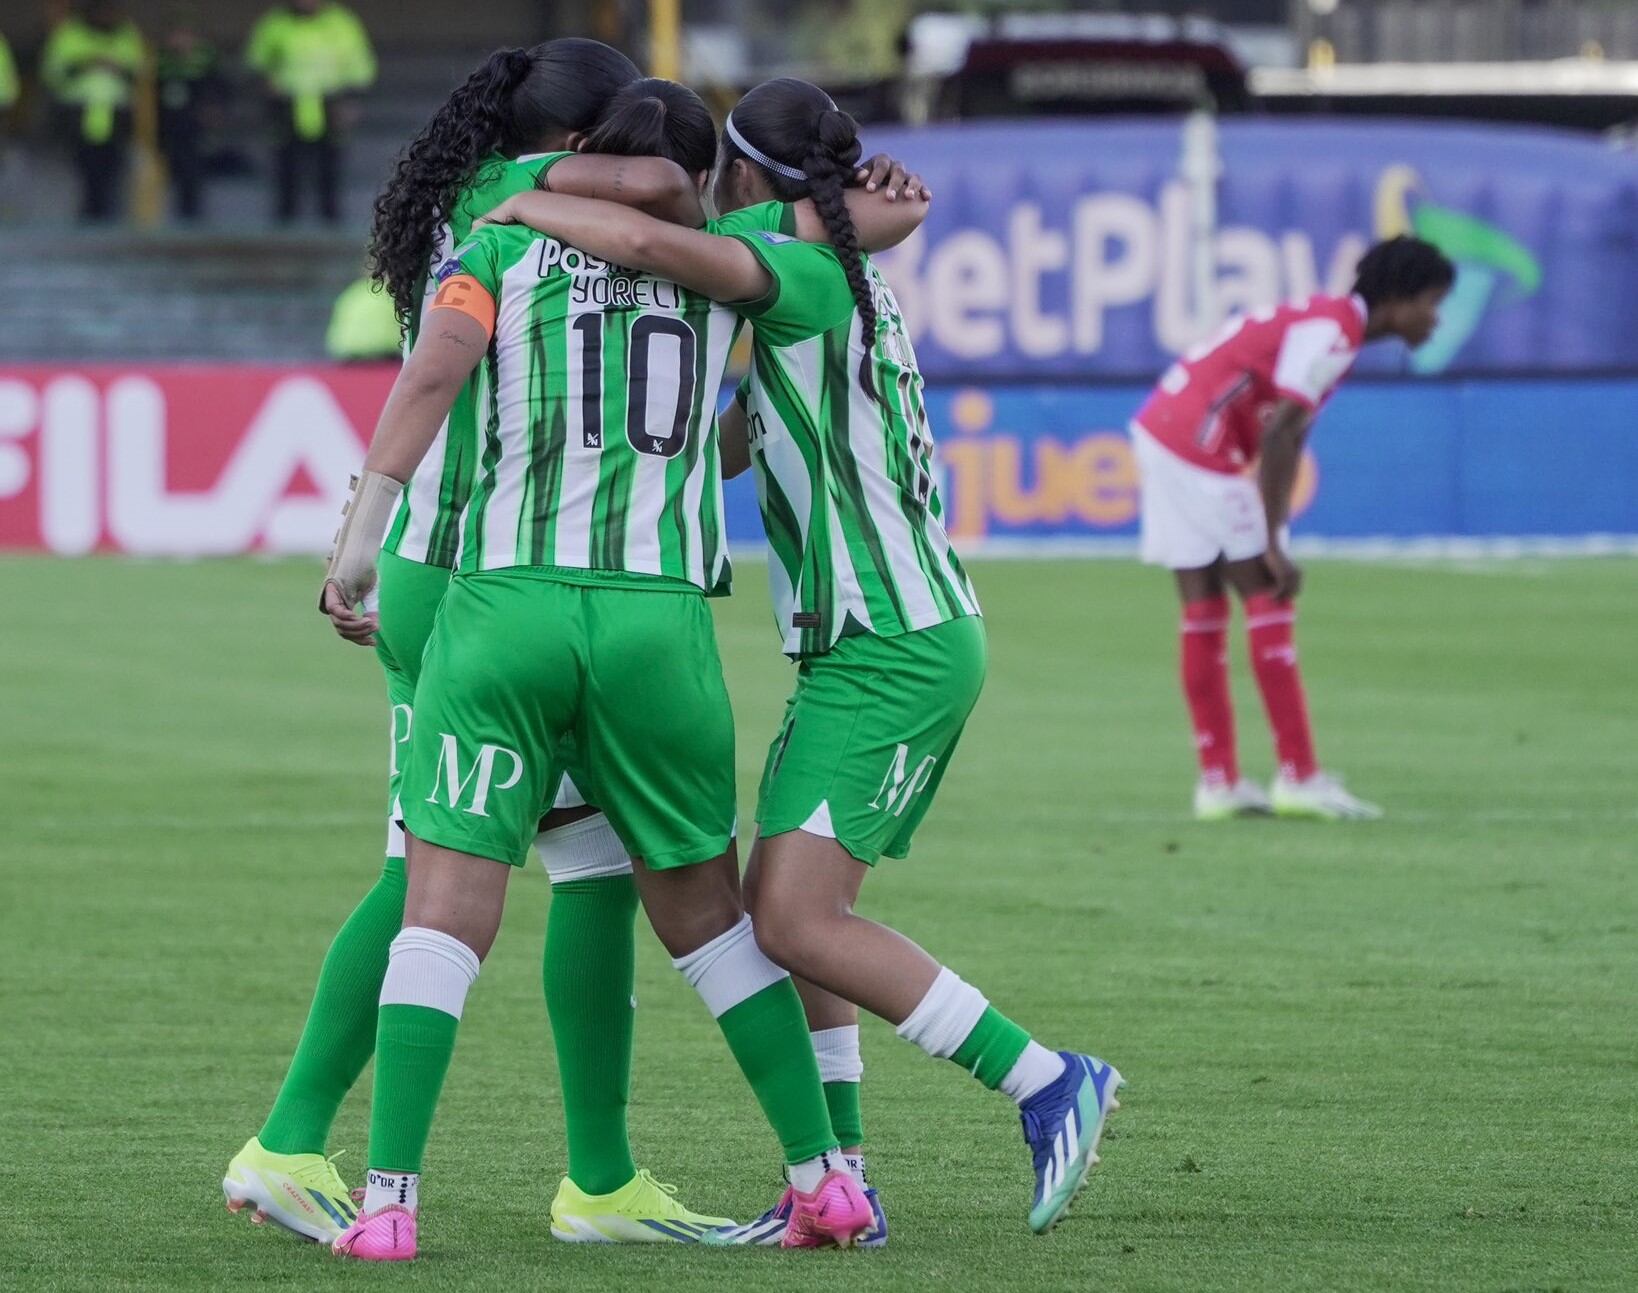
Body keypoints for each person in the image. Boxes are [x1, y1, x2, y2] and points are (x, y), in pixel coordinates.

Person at [478, 76, 1123, 1241]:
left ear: (745, 179)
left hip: (896, 643)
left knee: (793, 917)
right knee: (796, 897)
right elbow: (722, 440)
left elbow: (639, 231)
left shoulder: (793, 268)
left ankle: (1045, 1079)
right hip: (864, 643)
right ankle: (837, 1177)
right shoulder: (819, 279)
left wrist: (521, 202)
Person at [223, 41, 738, 1248]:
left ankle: (600, 1180)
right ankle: (295, 1141)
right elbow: (670, 194)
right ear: (582, 144)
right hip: (479, 577)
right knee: (436, 873)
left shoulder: (481, 202)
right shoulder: (534, 202)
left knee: (583, 865)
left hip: (470, 571)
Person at [1128, 236, 1454, 821]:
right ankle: (1299, 775)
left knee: (1202, 606)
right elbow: (1282, 433)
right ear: (1398, 298)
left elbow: (1285, 427)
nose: (1436, 317)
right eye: (1431, 301)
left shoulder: (1323, 320)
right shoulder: (1335, 333)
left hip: (1165, 425)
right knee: (1269, 589)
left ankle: (1219, 781)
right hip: (1201, 444)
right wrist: (1275, 540)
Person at [245, 0, 375, 223]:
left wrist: (351, 101)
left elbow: (360, 66)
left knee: (330, 169)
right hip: (287, 104)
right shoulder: (275, 23)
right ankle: (285, 228)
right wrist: (266, 85)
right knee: (286, 169)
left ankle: (331, 226)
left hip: (330, 103)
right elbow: (257, 62)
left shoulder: (341, 22)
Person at [41, 1, 145, 222]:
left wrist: (118, 68)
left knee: (112, 170)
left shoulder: (127, 34)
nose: (106, 16)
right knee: (82, 170)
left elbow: (139, 72)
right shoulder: (69, 33)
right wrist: (87, 64)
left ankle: (106, 217)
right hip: (77, 112)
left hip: (116, 113)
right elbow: (54, 71)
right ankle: (85, 218)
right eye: (102, 11)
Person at [155, 17, 227, 220]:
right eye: (176, 35)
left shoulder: (205, 59)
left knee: (192, 171)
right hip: (164, 126)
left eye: (185, 36)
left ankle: (191, 215)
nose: (180, 41)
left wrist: (214, 111)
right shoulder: (158, 59)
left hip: (193, 125)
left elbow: (218, 88)